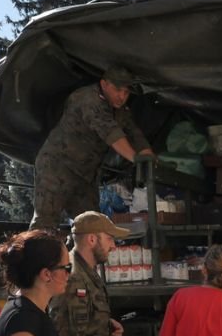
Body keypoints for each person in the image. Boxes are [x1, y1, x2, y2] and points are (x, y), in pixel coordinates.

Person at [32, 66, 155, 230]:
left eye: (126, 93)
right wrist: (136, 158)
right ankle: (36, 255)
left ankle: (75, 255)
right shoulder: (87, 99)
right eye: (118, 90)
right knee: (45, 224)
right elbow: (111, 133)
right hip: (57, 167)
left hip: (85, 175)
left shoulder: (119, 110)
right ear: (104, 84)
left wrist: (146, 152)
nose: (122, 96)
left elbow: (133, 132)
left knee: (91, 228)